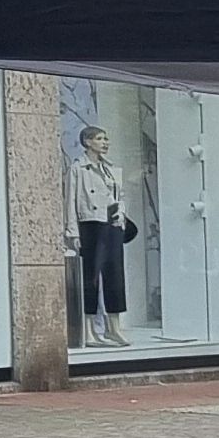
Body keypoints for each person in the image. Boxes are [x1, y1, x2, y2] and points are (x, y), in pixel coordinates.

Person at [71, 126, 129, 346]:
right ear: (87, 142)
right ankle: (88, 331)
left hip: (112, 223)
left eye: (106, 138)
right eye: (99, 139)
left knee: (115, 275)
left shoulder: (111, 169)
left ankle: (114, 327)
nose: (105, 142)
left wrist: (121, 215)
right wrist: (72, 231)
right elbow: (71, 202)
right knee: (91, 278)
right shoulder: (78, 169)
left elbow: (119, 195)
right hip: (91, 224)